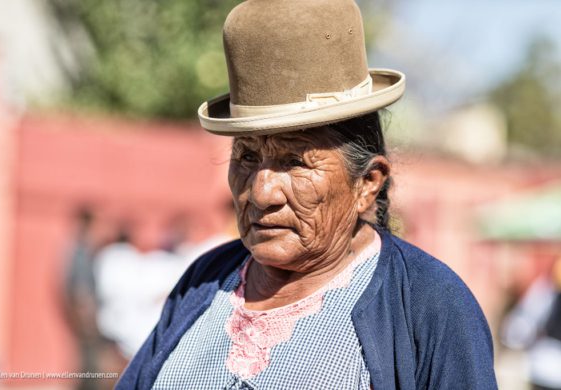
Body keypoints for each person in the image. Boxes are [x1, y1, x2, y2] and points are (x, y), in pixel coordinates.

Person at [116, 0, 497, 388]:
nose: (261, 192)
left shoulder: (430, 304)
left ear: (367, 183)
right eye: (246, 155)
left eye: (295, 161)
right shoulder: (206, 280)